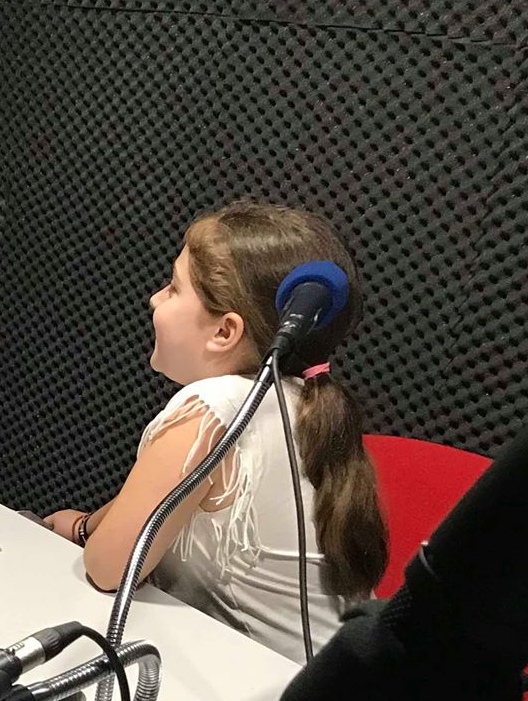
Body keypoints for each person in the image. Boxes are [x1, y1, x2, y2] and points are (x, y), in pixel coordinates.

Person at [43, 200, 388, 661]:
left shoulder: (215, 407)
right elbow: (163, 500)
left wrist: (87, 537)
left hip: (276, 697)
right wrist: (85, 525)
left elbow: (108, 569)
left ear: (224, 332)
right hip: (327, 687)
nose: (155, 299)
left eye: (173, 288)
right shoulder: (302, 403)